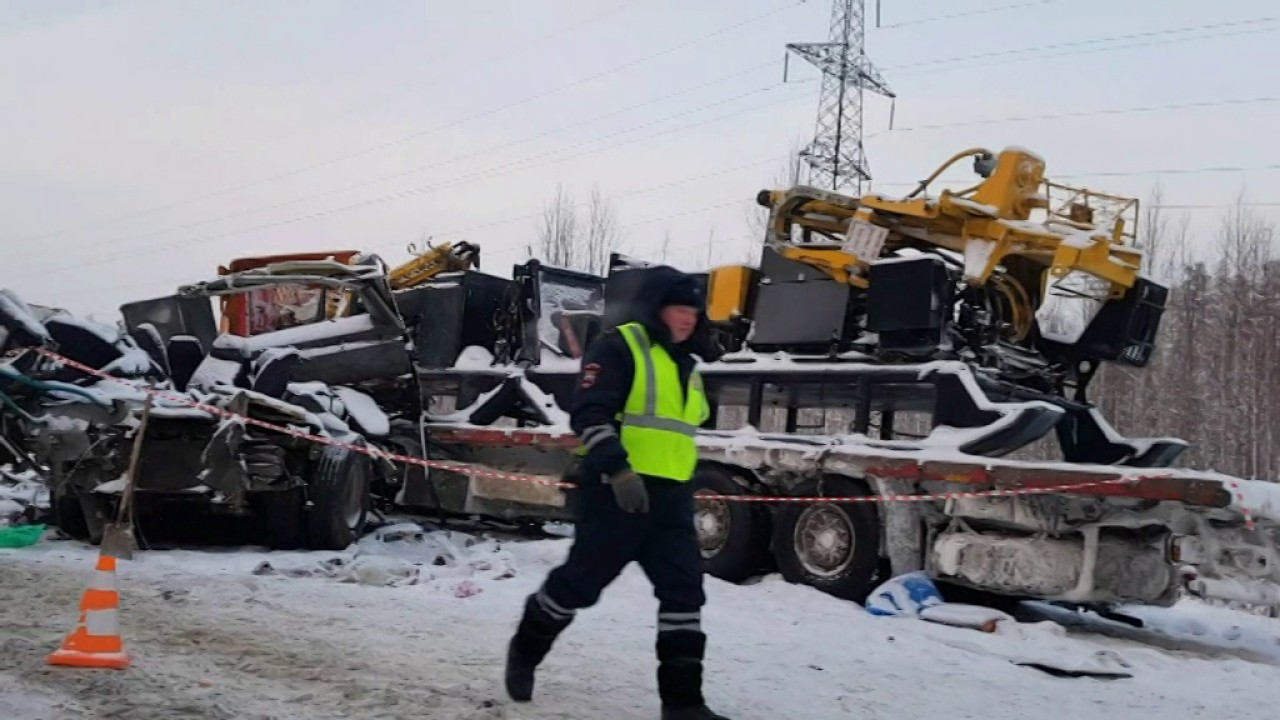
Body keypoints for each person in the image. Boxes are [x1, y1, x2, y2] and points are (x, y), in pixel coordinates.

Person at [503, 265, 730, 720]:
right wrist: (620, 472)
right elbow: (589, 415)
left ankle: (684, 704)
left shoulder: (687, 365)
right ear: (656, 308)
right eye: (678, 309)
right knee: (578, 587)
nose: (687, 319)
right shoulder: (620, 347)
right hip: (615, 494)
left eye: (693, 310)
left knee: (684, 595)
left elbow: (680, 430)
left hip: (670, 500)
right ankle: (526, 648)